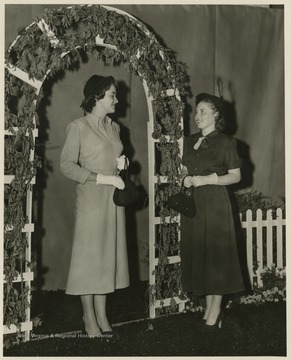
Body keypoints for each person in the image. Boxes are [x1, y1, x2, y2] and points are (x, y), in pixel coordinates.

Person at [60, 75, 129, 337]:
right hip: (91, 199)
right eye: (112, 94)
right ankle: (88, 317)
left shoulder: (114, 127)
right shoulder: (77, 126)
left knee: (105, 258)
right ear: (97, 97)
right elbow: (66, 165)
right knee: (88, 261)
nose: (116, 99)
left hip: (113, 199)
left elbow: (115, 156)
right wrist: (100, 177)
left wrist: (123, 165)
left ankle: (102, 315)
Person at [180, 93, 245, 330]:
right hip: (194, 204)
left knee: (216, 256)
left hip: (216, 203)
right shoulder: (189, 141)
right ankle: (210, 309)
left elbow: (237, 176)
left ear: (216, 114)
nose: (197, 116)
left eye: (203, 111)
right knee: (203, 255)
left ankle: (215, 311)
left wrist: (209, 179)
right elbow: (186, 170)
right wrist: (186, 179)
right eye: (196, 111)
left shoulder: (226, 142)